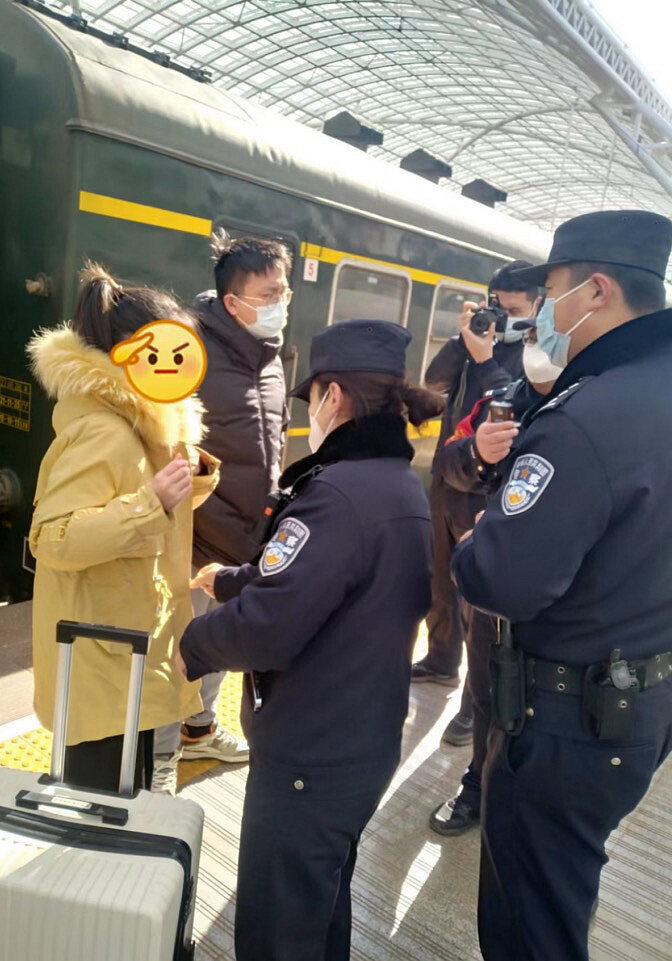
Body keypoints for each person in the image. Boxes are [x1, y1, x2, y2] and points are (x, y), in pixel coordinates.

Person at [177, 320, 440, 961]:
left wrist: (190, 645)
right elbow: (323, 581)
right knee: (318, 906)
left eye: (313, 398)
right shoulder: (395, 481)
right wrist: (229, 580)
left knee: (278, 926)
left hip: (311, 754)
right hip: (358, 737)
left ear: (334, 396)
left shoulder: (337, 495)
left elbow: (268, 627)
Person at [452, 210, 672, 961]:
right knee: (563, 897)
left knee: (530, 928)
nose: (542, 314)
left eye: (550, 293)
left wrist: (478, 539)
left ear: (597, 291)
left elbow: (501, 579)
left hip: (563, 724)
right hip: (640, 704)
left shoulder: (585, 418)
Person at [27, 264, 219, 792]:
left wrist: (192, 477)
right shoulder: (105, 431)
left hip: (123, 653)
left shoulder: (142, 424)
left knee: (123, 798)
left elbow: (152, 512)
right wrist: (150, 503)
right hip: (100, 663)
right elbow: (53, 537)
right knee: (100, 807)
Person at [152, 233, 290, 791]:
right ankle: (158, 758)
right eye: (270, 293)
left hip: (245, 535)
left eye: (284, 291)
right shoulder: (190, 350)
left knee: (220, 641)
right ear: (233, 302)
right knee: (176, 650)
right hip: (193, 534)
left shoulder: (271, 354)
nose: (281, 302)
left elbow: (273, 439)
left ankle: (199, 731)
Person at [430, 320, 562, 836]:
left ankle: (523, 797)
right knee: (487, 688)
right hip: (492, 579)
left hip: (557, 589)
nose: (536, 346)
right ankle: (478, 786)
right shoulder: (500, 402)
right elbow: (448, 462)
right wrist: (477, 453)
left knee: (544, 703)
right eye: (531, 338)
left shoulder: (596, 409)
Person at [415, 262, 536, 748]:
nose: (502, 317)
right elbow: (434, 383)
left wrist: (486, 358)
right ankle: (440, 660)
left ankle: (471, 703)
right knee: (438, 581)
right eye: (495, 306)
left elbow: (509, 408)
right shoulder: (477, 341)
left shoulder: (534, 355)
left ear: (537, 308)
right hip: (448, 480)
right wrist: (462, 339)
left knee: (477, 607)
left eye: (514, 309)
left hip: (484, 492)